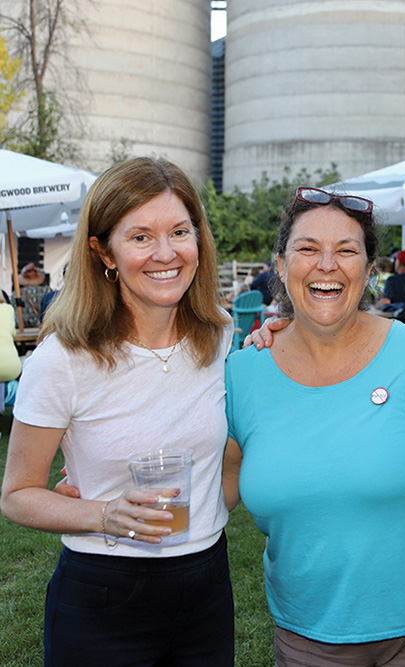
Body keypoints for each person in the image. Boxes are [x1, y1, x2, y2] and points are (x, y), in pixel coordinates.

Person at [0, 157, 235, 666]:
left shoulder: (220, 335)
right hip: (103, 594)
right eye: (141, 237)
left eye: (179, 231)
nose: (166, 253)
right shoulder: (63, 359)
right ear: (102, 251)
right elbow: (17, 496)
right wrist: (103, 514)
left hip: (205, 585)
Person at [224, 186, 405, 666]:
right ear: (280, 265)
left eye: (346, 250)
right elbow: (221, 484)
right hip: (306, 638)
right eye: (308, 248)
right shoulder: (242, 373)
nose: (326, 265)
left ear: (370, 269)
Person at [378, 249, 405, 322]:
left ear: (399, 262)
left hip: (398, 321)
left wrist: (378, 305)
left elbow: (385, 302)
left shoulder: (392, 280)